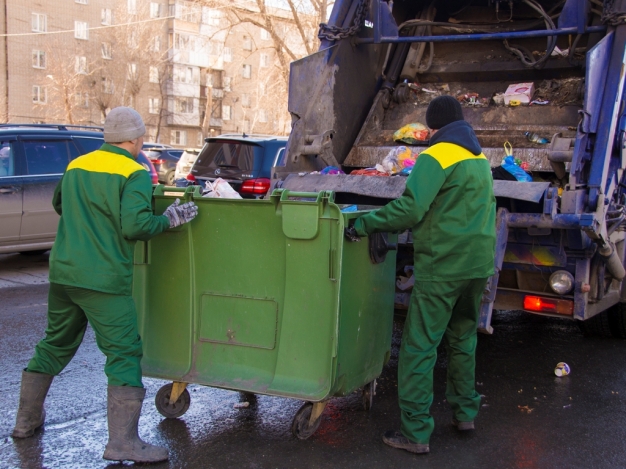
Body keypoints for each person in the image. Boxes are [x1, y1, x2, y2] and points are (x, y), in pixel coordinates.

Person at [12, 107, 198, 464]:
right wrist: (170, 220)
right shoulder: (134, 172)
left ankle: (25, 422)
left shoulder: (77, 165)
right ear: (136, 138)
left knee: (55, 343)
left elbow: (59, 204)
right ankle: (123, 443)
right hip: (103, 280)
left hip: (64, 273)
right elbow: (136, 226)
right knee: (124, 353)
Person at [349, 95, 496, 454]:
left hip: (444, 267)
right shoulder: (479, 158)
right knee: (463, 340)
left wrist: (366, 222)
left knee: (419, 347)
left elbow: (411, 209)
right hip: (477, 266)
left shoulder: (436, 155)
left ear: (434, 127)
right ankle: (465, 414)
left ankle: (415, 433)